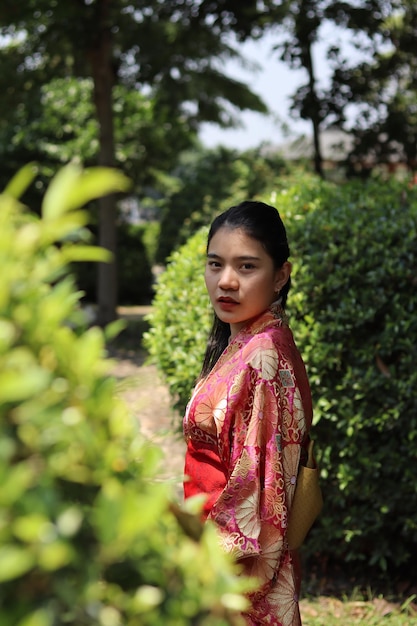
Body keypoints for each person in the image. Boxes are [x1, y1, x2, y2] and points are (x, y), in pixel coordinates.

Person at [183, 201, 313, 626]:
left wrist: (206, 567)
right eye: (215, 263)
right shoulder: (251, 343)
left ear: (280, 276)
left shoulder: (262, 356)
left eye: (247, 266)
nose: (226, 281)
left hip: (238, 572)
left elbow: (256, 490)